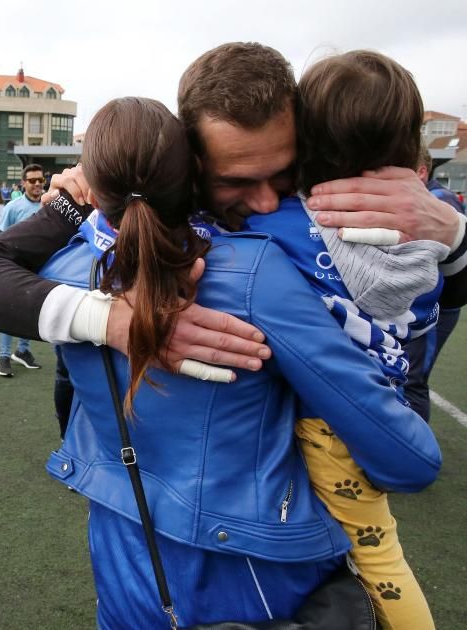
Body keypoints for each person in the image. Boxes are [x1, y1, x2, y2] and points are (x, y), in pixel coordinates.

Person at [40, 95, 440, 628]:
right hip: (248, 575)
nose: (270, 203)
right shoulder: (252, 273)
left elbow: (60, 389)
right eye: (239, 180)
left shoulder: (60, 265)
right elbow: (409, 459)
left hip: (122, 559)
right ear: (193, 172)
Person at [0, 41, 466, 383]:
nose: (265, 200)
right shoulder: (127, 188)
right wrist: (118, 321)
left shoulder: (334, 188)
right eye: (234, 180)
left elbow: (444, 292)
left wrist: (453, 232)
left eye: (282, 175)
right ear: (188, 160)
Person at [243, 50, 440, 628]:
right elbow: (425, 321)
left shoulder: (281, 225)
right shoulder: (424, 234)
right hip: (384, 401)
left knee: (370, 557)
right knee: (380, 551)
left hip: (320, 422)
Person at [402, 145, 467, 422]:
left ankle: (414, 452)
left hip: (436, 306)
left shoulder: (440, 201)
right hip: (426, 302)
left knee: (413, 379)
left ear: (421, 172)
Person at [0, 164, 46, 377]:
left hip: (41, 268)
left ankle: (23, 351)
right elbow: (1, 238)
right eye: (32, 180)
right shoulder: (13, 207)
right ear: (23, 183)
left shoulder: (48, 206)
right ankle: (4, 356)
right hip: (15, 268)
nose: (36, 184)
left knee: (31, 312)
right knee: (9, 312)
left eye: (40, 180)